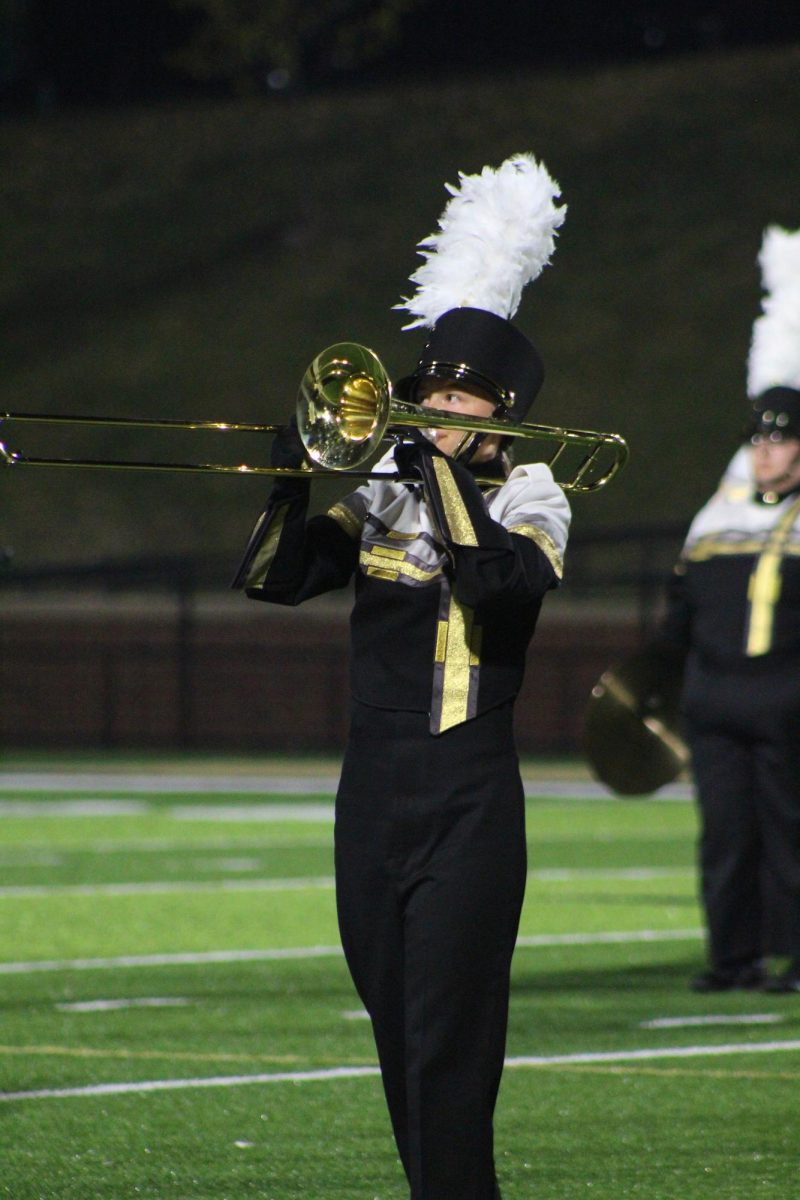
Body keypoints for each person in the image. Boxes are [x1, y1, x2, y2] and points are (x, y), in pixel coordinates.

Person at [233, 154, 570, 1199]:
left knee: (448, 1051)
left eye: (450, 395)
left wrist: (428, 471)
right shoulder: (380, 492)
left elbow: (497, 589)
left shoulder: (534, 493)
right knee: (394, 1033)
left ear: (496, 408)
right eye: (423, 392)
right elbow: (273, 581)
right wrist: (292, 483)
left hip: (468, 797)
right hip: (371, 791)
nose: (428, 406)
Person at [656, 224, 800, 994]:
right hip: (716, 698)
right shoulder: (716, 516)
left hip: (787, 697)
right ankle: (732, 955)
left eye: (779, 441)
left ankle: (794, 955)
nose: (765, 451)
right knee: (727, 835)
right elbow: (679, 612)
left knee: (791, 833)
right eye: (758, 440)